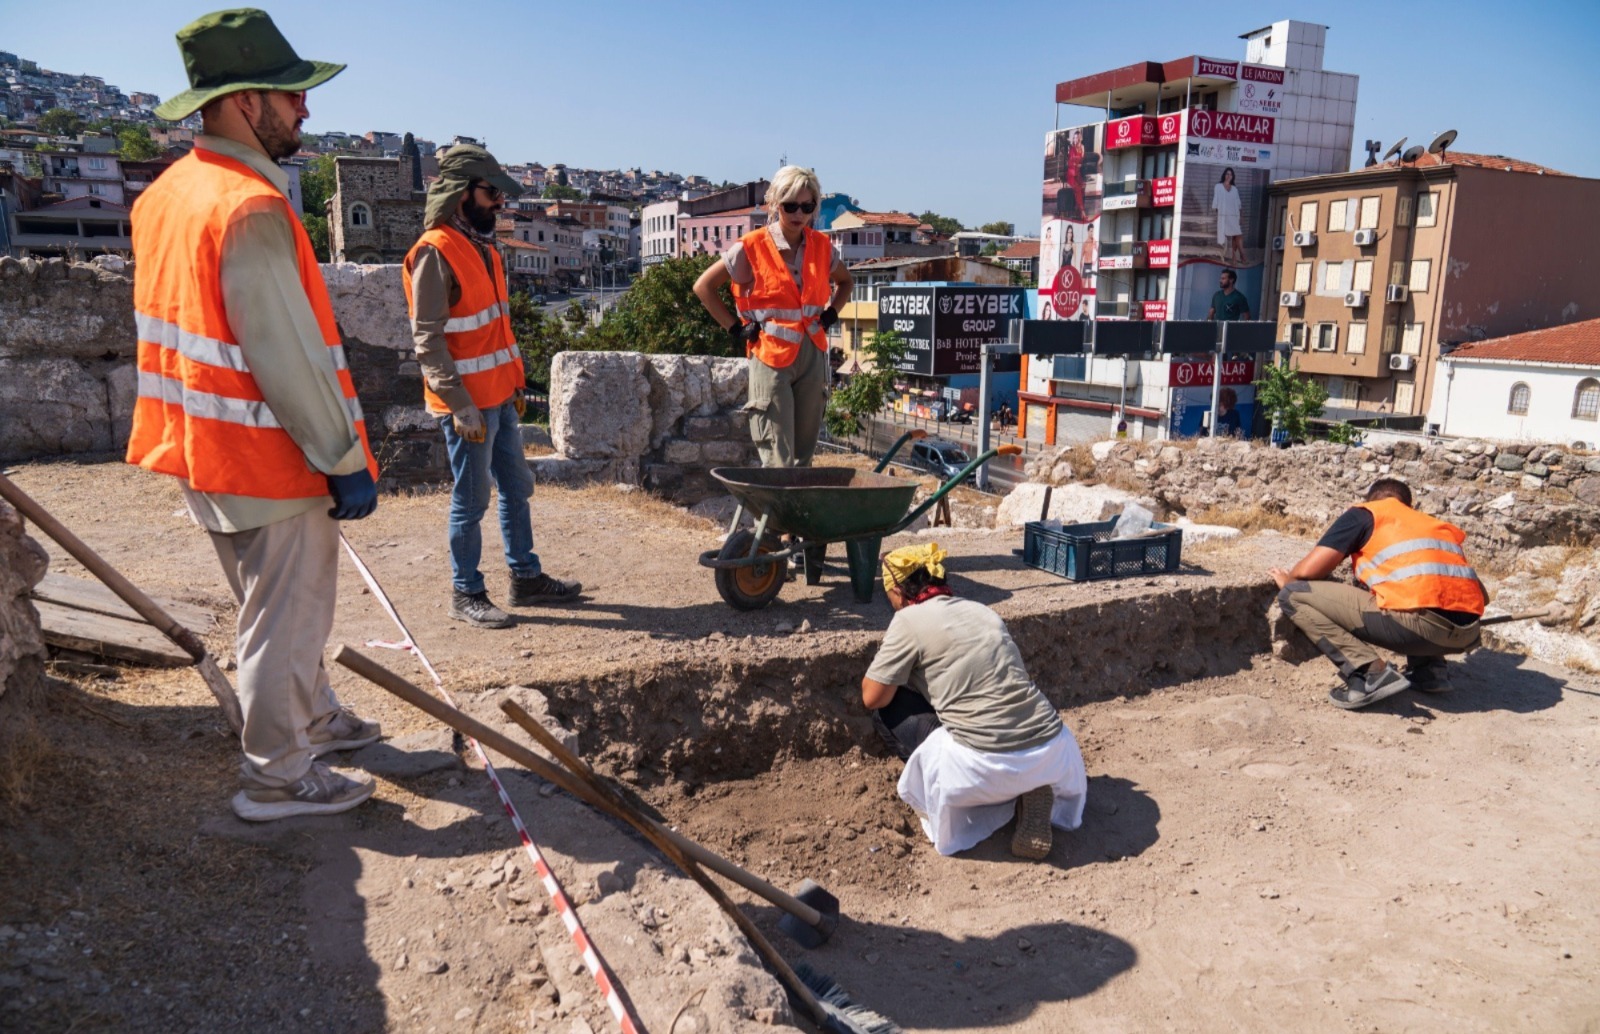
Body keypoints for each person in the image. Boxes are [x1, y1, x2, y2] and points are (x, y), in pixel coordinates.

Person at [127, 8, 381, 821]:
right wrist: (342, 459)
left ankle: (312, 719)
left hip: (200, 446)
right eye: (290, 95)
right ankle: (277, 777)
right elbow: (288, 357)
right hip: (268, 455)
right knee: (284, 617)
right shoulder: (250, 206)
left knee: (273, 607)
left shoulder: (168, 195)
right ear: (243, 101)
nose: (304, 110)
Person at [404, 145, 582, 629]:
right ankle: (466, 593)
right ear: (463, 194)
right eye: (491, 193)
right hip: (467, 406)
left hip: (500, 396)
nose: (500, 202)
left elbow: (497, 330)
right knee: (472, 498)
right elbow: (428, 339)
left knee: (517, 488)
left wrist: (516, 384)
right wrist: (460, 405)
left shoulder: (483, 247)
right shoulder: (434, 252)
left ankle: (525, 577)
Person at [862, 544, 1087, 858]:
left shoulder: (909, 620)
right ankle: (1029, 788)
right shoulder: (982, 610)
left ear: (897, 592)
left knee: (887, 710)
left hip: (984, 768)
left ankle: (974, 797)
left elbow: (872, 696)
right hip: (1055, 751)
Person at [1270, 478, 1486, 709]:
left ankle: (1369, 674)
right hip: (1468, 635)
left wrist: (1288, 580)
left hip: (1418, 631)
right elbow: (1481, 594)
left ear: (1372, 499)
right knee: (1415, 591)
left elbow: (1307, 571)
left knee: (1294, 594)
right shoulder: (1435, 525)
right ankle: (1430, 671)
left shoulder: (1366, 514)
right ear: (1408, 505)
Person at [692, 166, 852, 469]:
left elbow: (846, 282)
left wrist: (831, 313)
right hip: (770, 355)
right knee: (778, 457)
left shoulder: (821, 246)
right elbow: (703, 287)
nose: (798, 213)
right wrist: (735, 329)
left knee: (803, 455)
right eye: (790, 205)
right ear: (775, 203)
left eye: (807, 207)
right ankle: (775, 517)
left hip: (812, 353)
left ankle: (795, 515)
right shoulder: (752, 246)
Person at [1212, 166, 1245, 265]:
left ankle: (1235, 257)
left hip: (1234, 215)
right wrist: (1218, 214)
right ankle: (1242, 256)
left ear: (1232, 176)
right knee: (1234, 235)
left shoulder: (1234, 189)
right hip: (1224, 216)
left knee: (1237, 234)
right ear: (1224, 175)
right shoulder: (1218, 186)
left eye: (1230, 174)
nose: (1228, 176)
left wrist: (1241, 216)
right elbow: (1216, 202)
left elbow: (1239, 204)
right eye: (1227, 174)